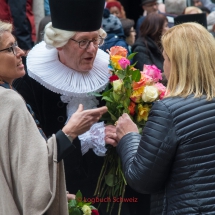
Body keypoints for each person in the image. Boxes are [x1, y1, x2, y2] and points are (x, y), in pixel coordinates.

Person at [13, 0, 146, 214]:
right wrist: (83, 138)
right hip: (60, 192)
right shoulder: (30, 80)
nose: (92, 49)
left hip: (109, 192)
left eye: (96, 39)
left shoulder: (112, 69)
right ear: (60, 42)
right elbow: (30, 151)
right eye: (83, 42)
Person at [0, 20, 108, 215]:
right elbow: (31, 166)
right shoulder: (11, 98)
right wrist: (70, 132)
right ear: (60, 43)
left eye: (96, 40)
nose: (20, 52)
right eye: (10, 48)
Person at [115, 22, 215, 214]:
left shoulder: (169, 110)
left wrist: (128, 136)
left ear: (177, 63)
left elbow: (142, 178)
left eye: (166, 59)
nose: (163, 66)